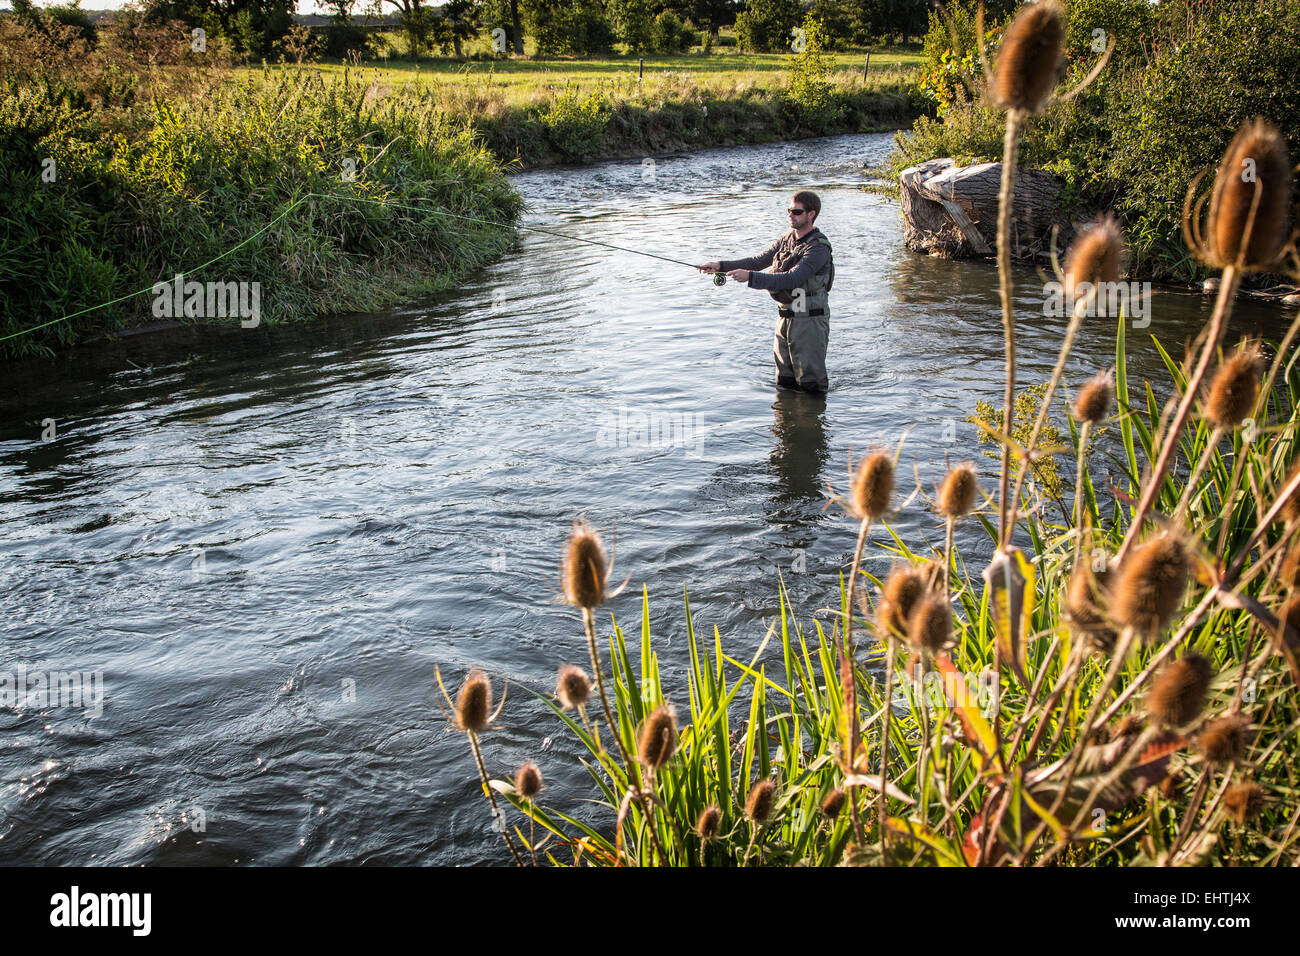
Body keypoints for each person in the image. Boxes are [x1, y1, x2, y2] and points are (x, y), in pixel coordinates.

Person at [699, 191, 835, 394]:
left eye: (797, 211)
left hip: (810, 322)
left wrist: (750, 278)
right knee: (785, 383)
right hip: (785, 318)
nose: (791, 215)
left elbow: (793, 278)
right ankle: (784, 424)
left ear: (811, 214)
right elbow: (757, 261)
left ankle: (812, 422)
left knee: (811, 387)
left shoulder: (818, 248)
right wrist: (719, 265)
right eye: (789, 210)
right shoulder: (787, 239)